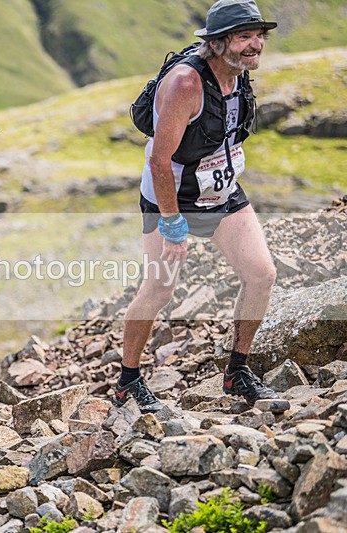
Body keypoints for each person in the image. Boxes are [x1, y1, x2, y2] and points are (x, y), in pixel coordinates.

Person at [115, 0, 280, 413]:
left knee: (261, 275)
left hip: (221, 192)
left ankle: (237, 372)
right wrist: (172, 225)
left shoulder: (239, 75)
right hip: (172, 196)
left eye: (258, 35)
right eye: (244, 37)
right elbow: (159, 159)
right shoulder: (185, 83)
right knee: (159, 288)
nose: (255, 44)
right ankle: (127, 381)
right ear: (218, 42)